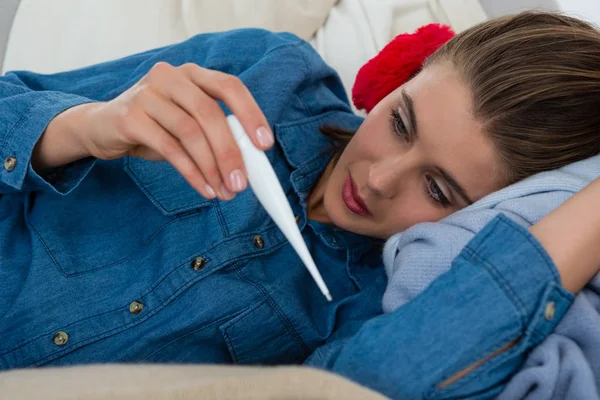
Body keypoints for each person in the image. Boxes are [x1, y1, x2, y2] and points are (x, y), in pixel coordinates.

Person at [0, 9, 599, 398]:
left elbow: (376, 384)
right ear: (396, 81)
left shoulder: (376, 307)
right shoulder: (262, 72)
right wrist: (81, 128)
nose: (380, 178)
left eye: (438, 190)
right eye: (400, 121)